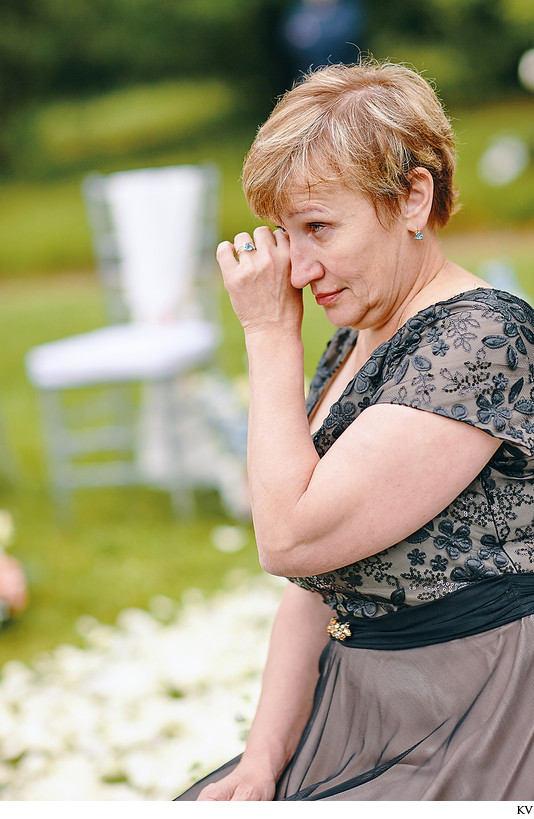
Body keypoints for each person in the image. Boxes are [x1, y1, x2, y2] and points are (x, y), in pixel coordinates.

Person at [176, 58, 534, 801]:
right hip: (366, 695)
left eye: (317, 227)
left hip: (475, 712)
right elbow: (315, 584)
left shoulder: (481, 341)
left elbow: (289, 536)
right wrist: (259, 762)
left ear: (413, 198)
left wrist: (271, 335)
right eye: (283, 232)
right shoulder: (361, 333)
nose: (298, 268)